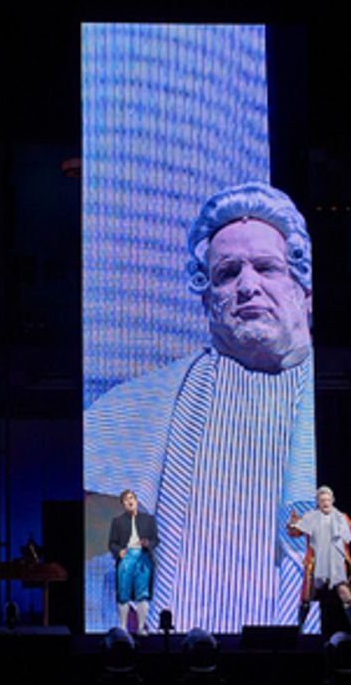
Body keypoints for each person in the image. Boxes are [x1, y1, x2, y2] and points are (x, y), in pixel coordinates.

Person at [85, 181, 315, 632]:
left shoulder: (338, 406)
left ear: (303, 290)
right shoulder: (133, 407)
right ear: (206, 296)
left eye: (266, 268)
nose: (247, 286)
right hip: (168, 663)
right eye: (228, 273)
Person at [286, 485, 351, 633]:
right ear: (318, 502)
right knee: (307, 597)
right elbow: (295, 532)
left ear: (332, 501)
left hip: (336, 562)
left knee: (344, 592)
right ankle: (299, 631)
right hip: (316, 563)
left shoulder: (341, 517)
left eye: (328, 500)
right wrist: (292, 523)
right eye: (322, 500)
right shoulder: (310, 517)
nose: (325, 503)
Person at [108, 489, 158, 633]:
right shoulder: (117, 522)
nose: (129, 502)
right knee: (123, 593)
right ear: (123, 504)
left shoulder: (148, 520)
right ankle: (123, 627)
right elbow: (112, 543)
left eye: (131, 498)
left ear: (136, 500)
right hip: (126, 557)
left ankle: (141, 627)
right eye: (126, 500)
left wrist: (147, 543)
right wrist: (119, 551)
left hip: (143, 556)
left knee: (143, 594)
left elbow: (156, 540)